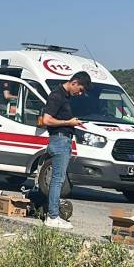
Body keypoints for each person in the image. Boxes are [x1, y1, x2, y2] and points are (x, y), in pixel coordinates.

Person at [39, 71, 91, 229]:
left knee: (58, 179)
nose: (80, 93)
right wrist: (69, 122)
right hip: (59, 140)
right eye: (80, 89)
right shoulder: (57, 96)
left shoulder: (65, 97)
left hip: (64, 139)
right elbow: (47, 119)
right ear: (74, 82)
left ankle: (54, 215)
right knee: (57, 180)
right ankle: (53, 217)